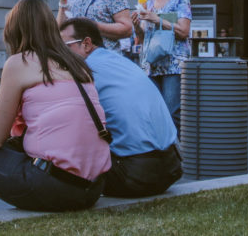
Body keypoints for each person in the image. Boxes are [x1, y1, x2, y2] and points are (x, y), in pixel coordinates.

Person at [0, 0, 110, 215]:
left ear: (14, 31)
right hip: (93, 188)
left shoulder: (19, 63)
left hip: (59, 188)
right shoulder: (76, 64)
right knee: (11, 145)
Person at [60, 18, 182, 197]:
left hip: (134, 176)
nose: (59, 53)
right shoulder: (123, 62)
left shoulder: (85, 71)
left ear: (86, 44)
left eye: (64, 46)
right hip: (171, 168)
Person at [132, 0, 191, 133]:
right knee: (154, 112)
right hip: (152, 64)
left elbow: (184, 31)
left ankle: (176, 148)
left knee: (172, 112)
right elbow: (143, 38)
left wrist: (157, 19)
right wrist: (137, 26)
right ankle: (162, 147)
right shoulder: (149, 4)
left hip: (174, 65)